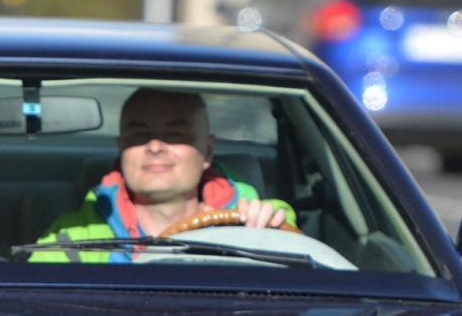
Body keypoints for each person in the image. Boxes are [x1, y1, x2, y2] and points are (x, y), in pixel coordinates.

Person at [35, 88, 293, 260]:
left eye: (175, 134)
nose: (155, 146)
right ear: (122, 149)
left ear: (208, 151)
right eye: (139, 134)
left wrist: (264, 233)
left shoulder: (258, 220)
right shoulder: (73, 238)